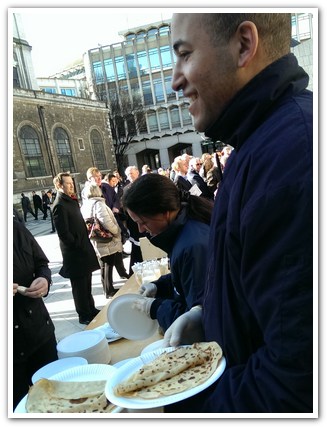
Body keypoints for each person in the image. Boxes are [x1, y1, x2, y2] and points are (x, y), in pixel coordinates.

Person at [163, 13, 313, 413]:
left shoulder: (290, 158)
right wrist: (209, 316)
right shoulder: (262, 142)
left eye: (185, 54)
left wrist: (175, 410)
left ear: (244, 45)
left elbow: (299, 381)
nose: (175, 80)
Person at [122, 173, 213, 332]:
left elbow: (200, 318)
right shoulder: (185, 232)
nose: (141, 229)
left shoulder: (193, 246)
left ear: (164, 212)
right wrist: (160, 286)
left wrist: (157, 307)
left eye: (143, 222)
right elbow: (186, 279)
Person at [13, 218, 58, 410]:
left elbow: (41, 263)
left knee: (56, 397)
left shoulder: (14, 227)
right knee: (20, 409)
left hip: (40, 334)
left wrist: (43, 279)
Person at [52, 172, 100, 325]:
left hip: (82, 249)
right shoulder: (59, 204)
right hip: (75, 253)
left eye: (71, 182)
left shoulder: (70, 200)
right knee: (79, 287)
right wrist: (76, 243)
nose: (71, 185)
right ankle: (84, 314)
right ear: (59, 185)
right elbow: (64, 233)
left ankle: (91, 309)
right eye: (67, 183)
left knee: (87, 283)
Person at [81, 184, 125, 298]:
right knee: (108, 263)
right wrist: (116, 230)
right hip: (106, 237)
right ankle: (109, 290)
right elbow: (106, 221)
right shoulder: (98, 204)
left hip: (96, 237)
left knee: (104, 264)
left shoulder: (85, 205)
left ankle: (107, 288)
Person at [123, 166, 147, 275]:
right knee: (136, 249)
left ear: (137, 173)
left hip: (146, 220)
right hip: (134, 223)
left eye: (131, 173)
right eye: (128, 174)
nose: (130, 176)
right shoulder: (126, 189)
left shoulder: (144, 184)